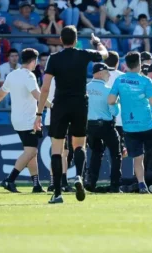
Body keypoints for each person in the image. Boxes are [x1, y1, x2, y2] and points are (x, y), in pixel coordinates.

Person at [34, 26, 109, 204]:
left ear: (61, 40)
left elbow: (45, 88)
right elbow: (105, 54)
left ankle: (58, 193)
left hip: (60, 105)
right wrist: (97, 42)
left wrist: (39, 113)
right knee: (79, 145)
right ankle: (78, 177)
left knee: (57, 150)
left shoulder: (54, 58)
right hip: (80, 104)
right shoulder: (84, 54)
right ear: (76, 40)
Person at [108, 51, 152, 194]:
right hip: (147, 125)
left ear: (126, 64)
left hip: (129, 125)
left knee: (137, 156)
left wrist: (118, 106)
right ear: (140, 65)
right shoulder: (145, 81)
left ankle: (141, 185)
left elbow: (110, 100)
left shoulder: (119, 80)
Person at [0, 49, 51, 193]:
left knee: (30, 151)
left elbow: (1, 92)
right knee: (31, 151)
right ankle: (9, 179)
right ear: (33, 61)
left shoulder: (12, 74)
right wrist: (53, 106)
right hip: (28, 120)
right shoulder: (29, 76)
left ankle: (36, 184)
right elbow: (38, 95)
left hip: (17, 120)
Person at [85, 63, 122, 193]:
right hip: (105, 126)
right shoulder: (108, 90)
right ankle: (115, 185)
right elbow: (114, 112)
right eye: (107, 72)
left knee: (96, 153)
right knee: (115, 154)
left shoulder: (84, 88)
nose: (109, 75)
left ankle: (91, 182)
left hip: (89, 126)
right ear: (100, 73)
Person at [105, 51, 127, 157]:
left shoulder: (99, 76)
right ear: (117, 62)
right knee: (120, 151)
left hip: (103, 118)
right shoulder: (124, 77)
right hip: (120, 119)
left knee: (102, 151)